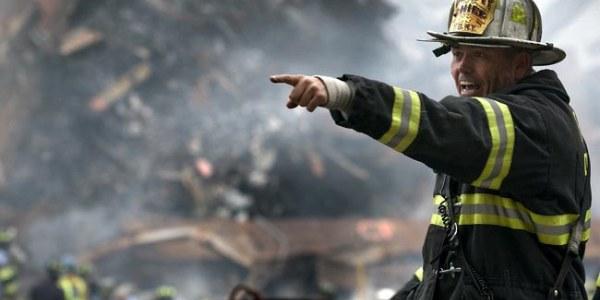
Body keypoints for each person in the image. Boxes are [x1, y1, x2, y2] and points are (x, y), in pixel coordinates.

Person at [270, 0, 591, 299]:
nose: (462, 68)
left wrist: (349, 95)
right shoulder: (482, 143)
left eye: (478, 54)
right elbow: (444, 268)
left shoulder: (535, 124)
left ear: (520, 63)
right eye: (456, 53)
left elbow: (445, 125)